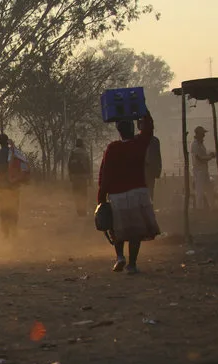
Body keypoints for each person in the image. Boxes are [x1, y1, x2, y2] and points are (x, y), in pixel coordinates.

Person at [97, 112, 160, 275]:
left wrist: (101, 197)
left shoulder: (113, 148)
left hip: (117, 195)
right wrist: (142, 109)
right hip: (138, 193)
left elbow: (105, 173)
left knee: (116, 228)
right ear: (133, 129)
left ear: (119, 131)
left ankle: (119, 257)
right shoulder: (139, 144)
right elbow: (149, 129)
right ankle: (132, 264)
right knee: (136, 231)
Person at [191, 126, 215, 210]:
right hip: (199, 171)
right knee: (199, 191)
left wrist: (209, 155)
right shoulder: (195, 145)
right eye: (202, 134)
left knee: (209, 189)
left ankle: (211, 207)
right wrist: (210, 157)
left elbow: (203, 156)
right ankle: (199, 208)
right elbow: (199, 158)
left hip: (204, 170)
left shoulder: (201, 144)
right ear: (198, 134)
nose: (204, 135)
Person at [68, 139, 91, 216]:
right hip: (83, 177)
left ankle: (78, 210)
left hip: (75, 176)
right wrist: (89, 177)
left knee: (76, 193)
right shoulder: (85, 153)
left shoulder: (73, 152)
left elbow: (69, 165)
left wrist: (70, 175)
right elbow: (88, 165)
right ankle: (83, 210)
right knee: (84, 194)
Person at [142, 125, 162, 201]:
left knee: (150, 191)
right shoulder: (138, 140)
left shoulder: (155, 141)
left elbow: (158, 156)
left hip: (151, 170)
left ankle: (150, 206)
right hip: (142, 170)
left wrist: (158, 170)